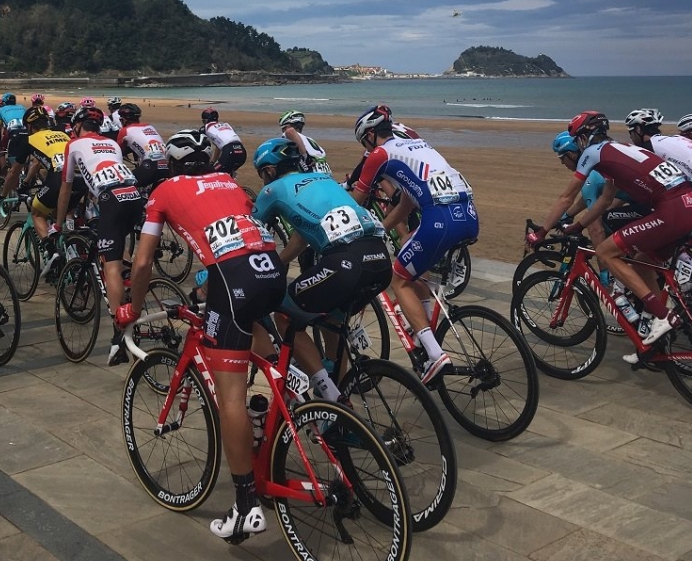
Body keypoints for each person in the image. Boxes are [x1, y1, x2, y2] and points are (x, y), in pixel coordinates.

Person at [115, 129, 285, 541]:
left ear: (170, 166)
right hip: (272, 269)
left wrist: (131, 309)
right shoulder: (226, 181)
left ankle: (246, 505)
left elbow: (141, 264)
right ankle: (293, 399)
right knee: (263, 344)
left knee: (229, 398)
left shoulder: (163, 191)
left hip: (233, 281)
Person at [527, 111, 692, 346]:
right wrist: (577, 225)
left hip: (671, 208)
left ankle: (663, 316)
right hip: (687, 204)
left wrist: (541, 232)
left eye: (577, 139)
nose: (577, 144)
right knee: (640, 261)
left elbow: (566, 198)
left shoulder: (593, 153)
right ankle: (658, 332)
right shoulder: (620, 149)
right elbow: (605, 201)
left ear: (584, 136)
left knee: (606, 252)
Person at [251, 137, 392, 400]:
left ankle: (329, 397)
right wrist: (281, 262)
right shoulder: (323, 179)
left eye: (262, 174)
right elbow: (301, 236)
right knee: (332, 319)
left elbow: (250, 234)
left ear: (269, 170)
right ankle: (338, 399)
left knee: (284, 316)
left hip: (345, 263)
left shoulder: (272, 190)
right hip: (380, 261)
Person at [350, 105, 479, 385]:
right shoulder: (416, 146)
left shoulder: (379, 155)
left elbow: (355, 202)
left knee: (399, 280)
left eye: (363, 142)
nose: (365, 148)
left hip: (440, 218)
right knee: (415, 272)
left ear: (370, 136)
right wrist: (381, 229)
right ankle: (426, 329)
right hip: (467, 215)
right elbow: (406, 203)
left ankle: (435, 354)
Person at [54, 106, 145, 366]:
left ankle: (119, 337)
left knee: (110, 264)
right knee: (119, 244)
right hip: (133, 194)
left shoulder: (74, 144)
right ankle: (131, 284)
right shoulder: (111, 143)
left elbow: (66, 188)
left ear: (78, 127)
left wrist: (59, 225)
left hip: (111, 197)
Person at [550, 131, 644, 286]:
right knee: (606, 217)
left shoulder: (591, 177)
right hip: (646, 201)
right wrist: (566, 215)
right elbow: (587, 200)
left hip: (649, 205)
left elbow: (596, 229)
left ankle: (609, 273)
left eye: (562, 158)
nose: (562, 163)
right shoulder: (594, 171)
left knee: (601, 223)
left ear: (572, 154)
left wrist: (603, 271)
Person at [3, 106, 87, 279]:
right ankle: (73, 253)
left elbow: (13, 173)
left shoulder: (30, 139)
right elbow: (38, 163)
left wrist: (3, 194)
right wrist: (27, 182)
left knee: (37, 213)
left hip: (61, 179)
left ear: (29, 126)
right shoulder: (62, 134)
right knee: (59, 215)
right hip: (81, 179)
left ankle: (52, 251)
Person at [625, 108, 692, 182]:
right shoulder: (672, 139)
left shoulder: (648, 147)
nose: (630, 136)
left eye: (630, 132)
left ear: (638, 129)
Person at [115, 103, 169, 191]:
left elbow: (117, 152)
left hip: (151, 165)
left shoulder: (125, 131)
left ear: (124, 120)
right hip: (167, 164)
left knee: (125, 185)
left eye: (121, 119)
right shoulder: (149, 126)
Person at [200, 107, 247, 175]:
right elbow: (218, 147)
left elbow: (200, 144)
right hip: (242, 150)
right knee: (227, 173)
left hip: (229, 150)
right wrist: (213, 161)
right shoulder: (226, 125)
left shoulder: (205, 127)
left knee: (212, 173)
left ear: (205, 120)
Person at [0, 92, 27, 171]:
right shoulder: (22, 107)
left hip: (14, 133)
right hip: (27, 132)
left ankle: (6, 171)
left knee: (3, 151)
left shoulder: (1, 110)